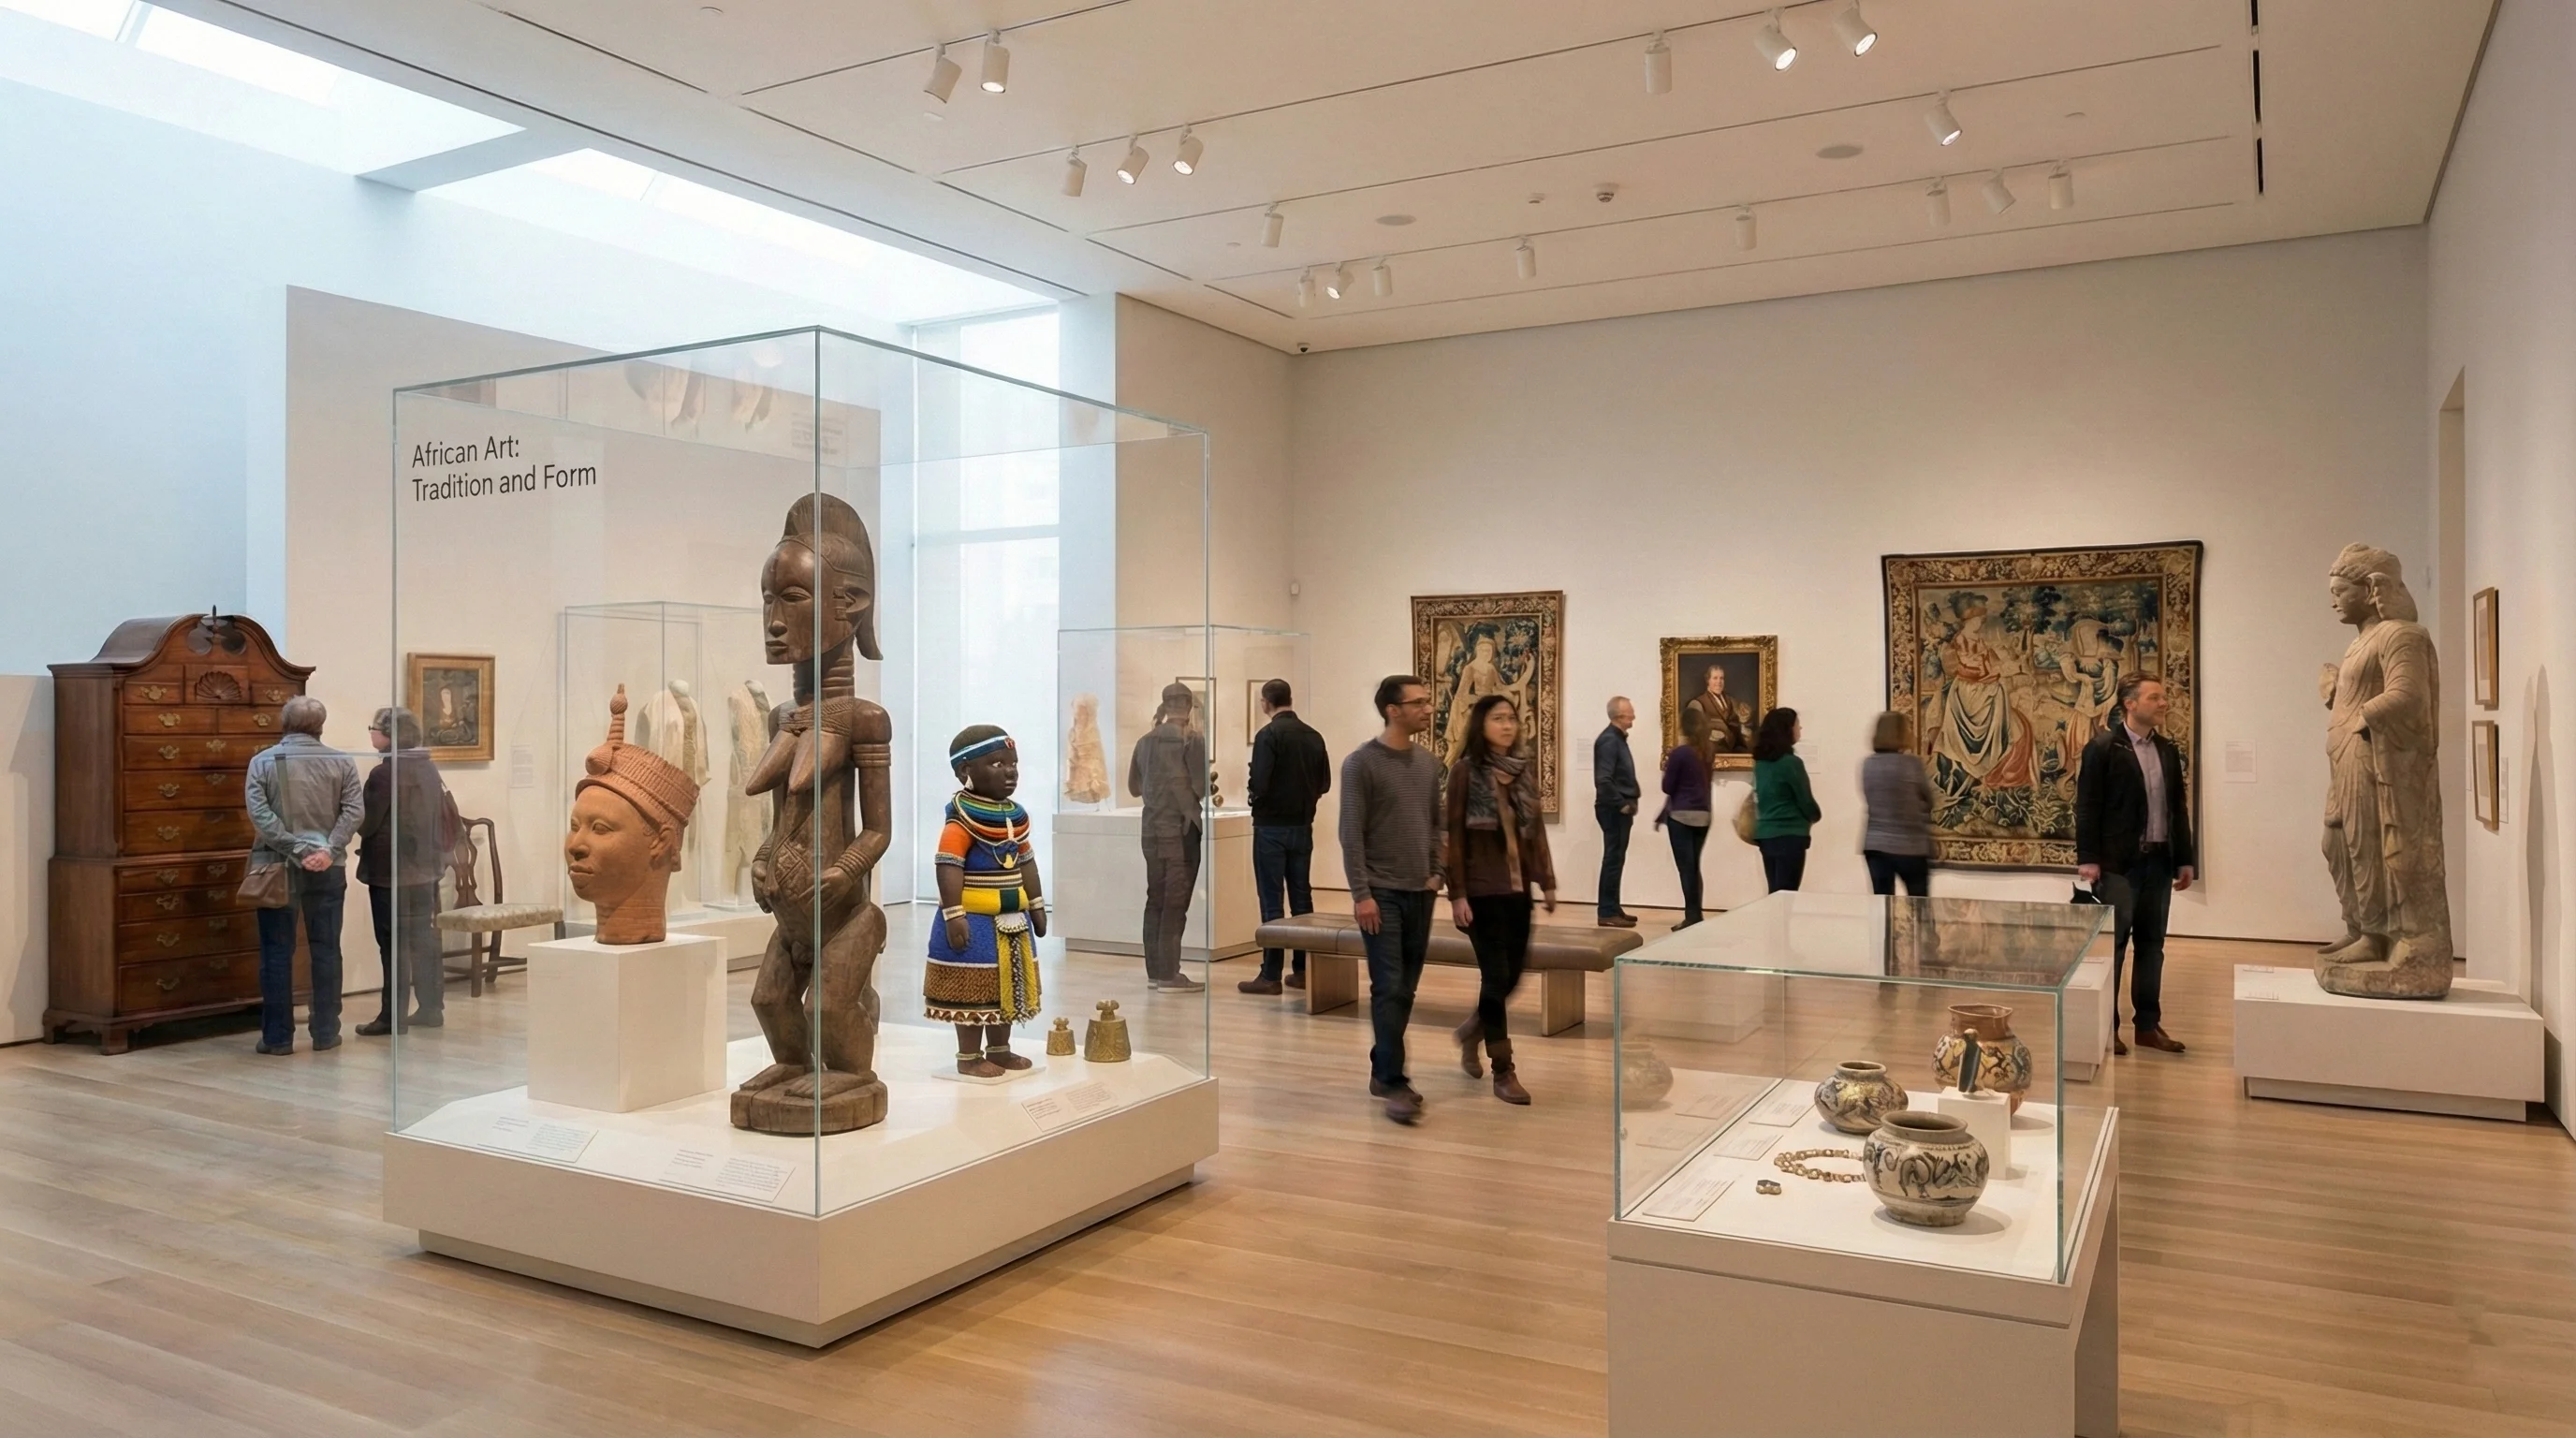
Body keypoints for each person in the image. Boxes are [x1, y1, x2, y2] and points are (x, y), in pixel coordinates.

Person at [1340, 673, 1443, 1125]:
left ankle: (1383, 1069)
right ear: (1392, 710)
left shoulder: (1427, 763)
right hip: (1381, 893)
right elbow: (1350, 832)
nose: (1428, 709)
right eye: (1418, 703)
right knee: (1389, 986)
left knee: (1406, 988)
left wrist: (1438, 871)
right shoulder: (1360, 763)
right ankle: (1393, 1080)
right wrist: (1361, 894)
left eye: (1427, 702)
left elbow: (1438, 823)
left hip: (1421, 891)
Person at [1444, 695, 1556, 1105]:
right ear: (1481, 725)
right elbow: (1451, 836)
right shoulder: (1464, 772)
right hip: (1480, 890)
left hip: (1517, 888)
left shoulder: (1523, 772)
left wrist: (1547, 881)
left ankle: (1473, 1029)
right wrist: (1456, 893)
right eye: (1498, 718)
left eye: (1511, 718)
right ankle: (1503, 1070)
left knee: (1513, 974)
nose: (1507, 726)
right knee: (1494, 978)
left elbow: (1536, 831)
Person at [2075, 675, 2195, 1055]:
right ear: (2130, 703)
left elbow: (2177, 808)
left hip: (2159, 863)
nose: (2163, 703)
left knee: (2152, 946)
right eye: (2155, 697)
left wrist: (2186, 859)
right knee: (2115, 947)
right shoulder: (2104, 748)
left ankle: (2147, 1025)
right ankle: (2107, 1028)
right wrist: (2089, 859)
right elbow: (2088, 806)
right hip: (2118, 866)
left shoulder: (2167, 750)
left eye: (2164, 697)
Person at [243, 696, 361, 1056]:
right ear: (321, 726)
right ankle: (326, 1032)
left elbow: (260, 816)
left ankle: (278, 1037)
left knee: (277, 953)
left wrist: (297, 849)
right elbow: (354, 811)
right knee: (326, 951)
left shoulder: (262, 762)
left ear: (284, 723)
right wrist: (326, 850)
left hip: (277, 867)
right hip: (329, 868)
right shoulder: (342, 761)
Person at [926, 726, 1046, 1078]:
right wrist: (953, 915)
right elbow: (948, 867)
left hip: (1013, 918)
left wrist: (1036, 904)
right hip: (974, 920)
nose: (1010, 771)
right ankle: (968, 1056)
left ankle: (1000, 1050)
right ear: (966, 772)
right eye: (996, 763)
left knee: (1007, 989)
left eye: (1013, 763)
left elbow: (1027, 863)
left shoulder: (1015, 819)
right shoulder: (960, 822)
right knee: (973, 990)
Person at [356, 707, 453, 1036]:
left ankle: (392, 1016)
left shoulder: (384, 773)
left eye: (374, 727)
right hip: (425, 869)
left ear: (389, 735)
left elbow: (368, 822)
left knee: (392, 943)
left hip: (390, 872)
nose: (371, 733)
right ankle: (430, 1008)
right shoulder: (427, 766)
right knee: (423, 939)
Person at [1241, 679, 1330, 995]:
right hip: (1302, 825)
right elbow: (1324, 783)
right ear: (1289, 699)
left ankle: (1270, 974)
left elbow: (1260, 782)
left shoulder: (1268, 735)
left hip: (1271, 827)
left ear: (1266, 702)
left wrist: (1256, 800)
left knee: (1271, 900)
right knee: (1302, 898)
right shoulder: (1313, 735)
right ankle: (1303, 969)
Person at [1129, 682, 1208, 991]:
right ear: (1188, 706)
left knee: (1156, 899)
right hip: (1181, 829)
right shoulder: (1193, 740)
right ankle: (1169, 974)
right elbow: (1200, 788)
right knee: (1175, 903)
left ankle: (1155, 972)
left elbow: (1135, 788)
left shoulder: (1145, 741)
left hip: (1151, 829)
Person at [1859, 711, 1935, 898]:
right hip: (1911, 846)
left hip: (1876, 845)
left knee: (1882, 906)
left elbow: (1869, 798)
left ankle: (1884, 929)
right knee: (1920, 909)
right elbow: (1928, 800)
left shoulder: (1869, 764)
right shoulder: (1911, 764)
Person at [1655, 708, 1716, 928]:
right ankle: (1695, 913)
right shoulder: (1708, 751)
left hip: (1681, 815)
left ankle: (1692, 916)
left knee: (1686, 868)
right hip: (1703, 814)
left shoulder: (1680, 753)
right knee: (1694, 866)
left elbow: (1667, 787)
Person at [1751, 707, 1820, 892]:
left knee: (1775, 893)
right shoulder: (1791, 763)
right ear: (1787, 729)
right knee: (1787, 894)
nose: (1800, 728)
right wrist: (1815, 815)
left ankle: (1772, 922)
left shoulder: (1761, 763)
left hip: (1766, 834)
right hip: (1790, 834)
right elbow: (1805, 800)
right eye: (1797, 725)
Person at [1593, 697, 1640, 928]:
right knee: (1613, 858)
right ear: (1620, 715)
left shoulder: (1616, 739)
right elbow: (1603, 779)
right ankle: (1607, 911)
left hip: (1618, 808)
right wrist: (1621, 803)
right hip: (1614, 810)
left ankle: (1613, 906)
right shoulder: (1610, 741)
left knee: (1616, 858)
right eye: (1630, 710)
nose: (1633, 714)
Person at [1684, 663, 1756, 756]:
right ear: (1708, 680)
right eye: (1715, 678)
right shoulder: (1698, 703)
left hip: (1732, 752)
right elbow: (1694, 734)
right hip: (1711, 753)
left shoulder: (1731, 701)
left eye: (1721, 678)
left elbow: (1735, 725)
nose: (1719, 682)